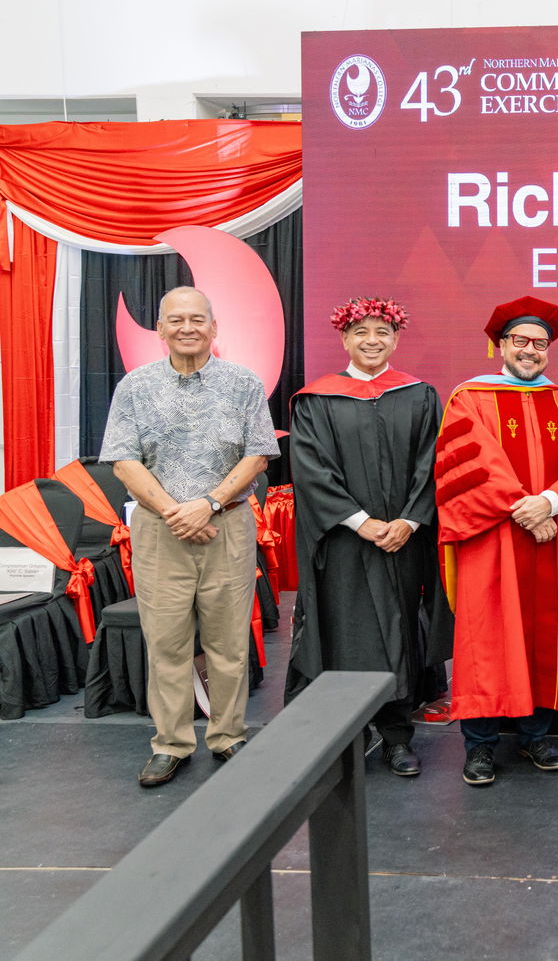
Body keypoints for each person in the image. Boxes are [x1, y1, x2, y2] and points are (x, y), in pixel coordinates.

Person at [100, 286, 278, 787]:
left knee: (227, 641)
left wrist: (210, 503)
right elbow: (122, 460)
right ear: (159, 329)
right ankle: (171, 743)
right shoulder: (134, 388)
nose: (187, 328)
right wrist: (174, 510)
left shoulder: (243, 384)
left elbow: (259, 454)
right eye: (175, 320)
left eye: (197, 319)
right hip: (161, 529)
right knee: (167, 642)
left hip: (227, 525)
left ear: (214, 327)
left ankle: (228, 736)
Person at [284, 297, 453, 777]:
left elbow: (433, 462)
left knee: (399, 630)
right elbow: (312, 470)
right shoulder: (316, 400)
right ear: (344, 339)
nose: (372, 341)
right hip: (345, 542)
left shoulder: (419, 395)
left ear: (396, 339)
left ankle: (398, 734)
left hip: (403, 539)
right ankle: (348, 733)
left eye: (382, 332)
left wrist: (410, 521)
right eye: (362, 332)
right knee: (345, 631)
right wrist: (360, 521)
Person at [434, 296, 558, 786]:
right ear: (500, 345)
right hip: (491, 539)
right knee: (487, 637)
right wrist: (526, 510)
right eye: (520, 341)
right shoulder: (469, 399)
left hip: (548, 538)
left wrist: (549, 503)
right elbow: (469, 466)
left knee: (543, 633)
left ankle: (534, 735)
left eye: (539, 344)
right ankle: (480, 745)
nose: (530, 351)